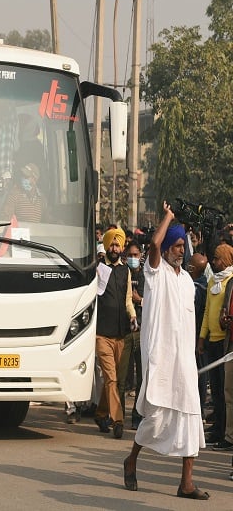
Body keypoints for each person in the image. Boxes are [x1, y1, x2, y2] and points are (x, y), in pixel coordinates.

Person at [123, 202, 208, 500]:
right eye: (178, 245)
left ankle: (186, 482)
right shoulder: (154, 273)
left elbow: (202, 258)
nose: (182, 250)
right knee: (156, 418)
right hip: (161, 358)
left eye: (184, 245)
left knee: (191, 417)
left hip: (184, 361)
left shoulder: (186, 280)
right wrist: (169, 217)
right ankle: (132, 459)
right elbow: (155, 243)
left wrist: (194, 230)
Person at [94, 227, 136, 439]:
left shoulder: (126, 271)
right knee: (110, 378)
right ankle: (117, 420)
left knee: (115, 379)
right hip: (102, 333)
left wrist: (133, 315)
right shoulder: (99, 268)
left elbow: (128, 299)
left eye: (117, 244)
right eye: (111, 244)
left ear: (122, 248)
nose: (114, 247)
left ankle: (101, 413)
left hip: (121, 333)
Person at [197, 242, 233, 450]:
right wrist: (202, 338)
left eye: (218, 259)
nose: (214, 262)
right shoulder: (213, 281)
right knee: (217, 389)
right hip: (212, 340)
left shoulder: (230, 281)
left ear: (226, 260)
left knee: (224, 389)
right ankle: (218, 426)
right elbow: (207, 312)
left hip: (225, 343)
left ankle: (225, 431)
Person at [124, 241, 144, 430]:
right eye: (130, 255)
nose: (133, 259)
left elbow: (155, 302)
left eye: (136, 255)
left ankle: (137, 416)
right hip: (123, 330)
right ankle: (117, 416)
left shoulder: (146, 276)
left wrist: (141, 300)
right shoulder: (122, 272)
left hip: (141, 331)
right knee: (122, 376)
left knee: (141, 378)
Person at [188, 252, 209, 414]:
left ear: (192, 268)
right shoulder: (205, 285)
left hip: (196, 336)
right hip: (200, 335)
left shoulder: (196, 289)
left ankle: (198, 408)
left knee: (199, 372)